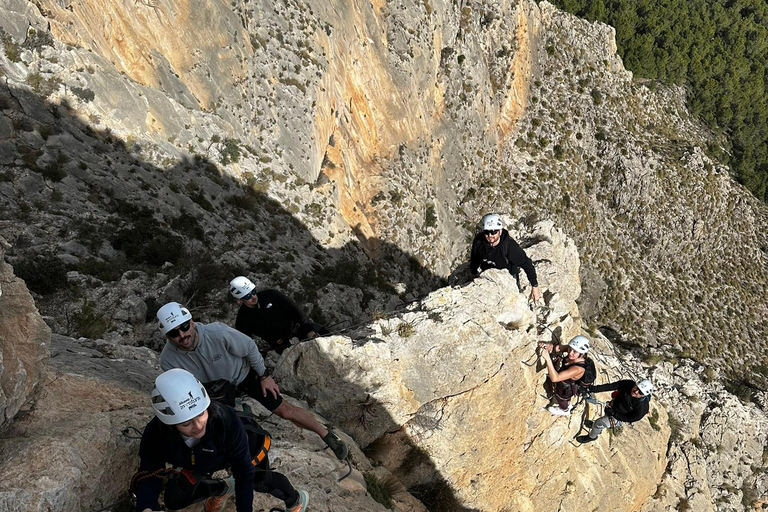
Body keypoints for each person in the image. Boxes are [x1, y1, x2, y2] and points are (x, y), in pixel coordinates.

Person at [156, 302, 349, 460]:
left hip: (243, 375)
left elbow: (249, 347)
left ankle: (326, 434)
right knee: (224, 425)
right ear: (167, 336)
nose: (182, 335)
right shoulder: (168, 360)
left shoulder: (217, 333)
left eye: (184, 327)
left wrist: (265, 376)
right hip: (212, 390)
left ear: (192, 322)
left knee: (284, 410)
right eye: (174, 333)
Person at [134, 368, 309, 512]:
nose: (198, 426)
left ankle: (295, 500)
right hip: (201, 459)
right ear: (170, 424)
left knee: (259, 480)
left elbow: (243, 472)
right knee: (173, 500)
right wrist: (146, 507)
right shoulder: (156, 434)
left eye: (201, 414)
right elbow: (150, 471)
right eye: (186, 423)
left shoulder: (225, 420)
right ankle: (223, 487)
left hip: (243, 445)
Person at [229, 276, 329, 355]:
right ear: (239, 300)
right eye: (247, 296)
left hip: (298, 327)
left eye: (253, 292)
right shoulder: (243, 319)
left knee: (327, 338)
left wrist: (308, 330)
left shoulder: (271, 295)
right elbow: (246, 341)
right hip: (281, 344)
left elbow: (295, 310)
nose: (253, 297)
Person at [469, 213, 540, 303]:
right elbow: (474, 257)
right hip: (487, 276)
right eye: (487, 232)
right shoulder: (479, 241)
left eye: (494, 231)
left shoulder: (510, 247)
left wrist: (535, 286)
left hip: (508, 278)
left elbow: (527, 264)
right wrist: (473, 272)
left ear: (500, 231)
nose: (490, 235)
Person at [576, 379, 654, 444]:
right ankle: (595, 427)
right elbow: (610, 386)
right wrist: (590, 389)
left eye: (640, 392)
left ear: (644, 395)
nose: (636, 391)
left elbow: (630, 418)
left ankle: (591, 437)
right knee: (604, 417)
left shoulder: (642, 407)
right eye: (637, 388)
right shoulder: (629, 384)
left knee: (599, 423)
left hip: (620, 416)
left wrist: (614, 413)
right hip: (614, 405)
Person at [538, 335, 595, 416]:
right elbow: (556, 348)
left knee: (560, 398)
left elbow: (555, 378)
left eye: (574, 351)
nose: (570, 353)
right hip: (565, 382)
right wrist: (546, 346)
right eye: (570, 349)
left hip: (566, 388)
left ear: (582, 354)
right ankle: (567, 404)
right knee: (562, 398)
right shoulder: (573, 349)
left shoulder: (578, 368)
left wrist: (547, 359)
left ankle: (564, 410)